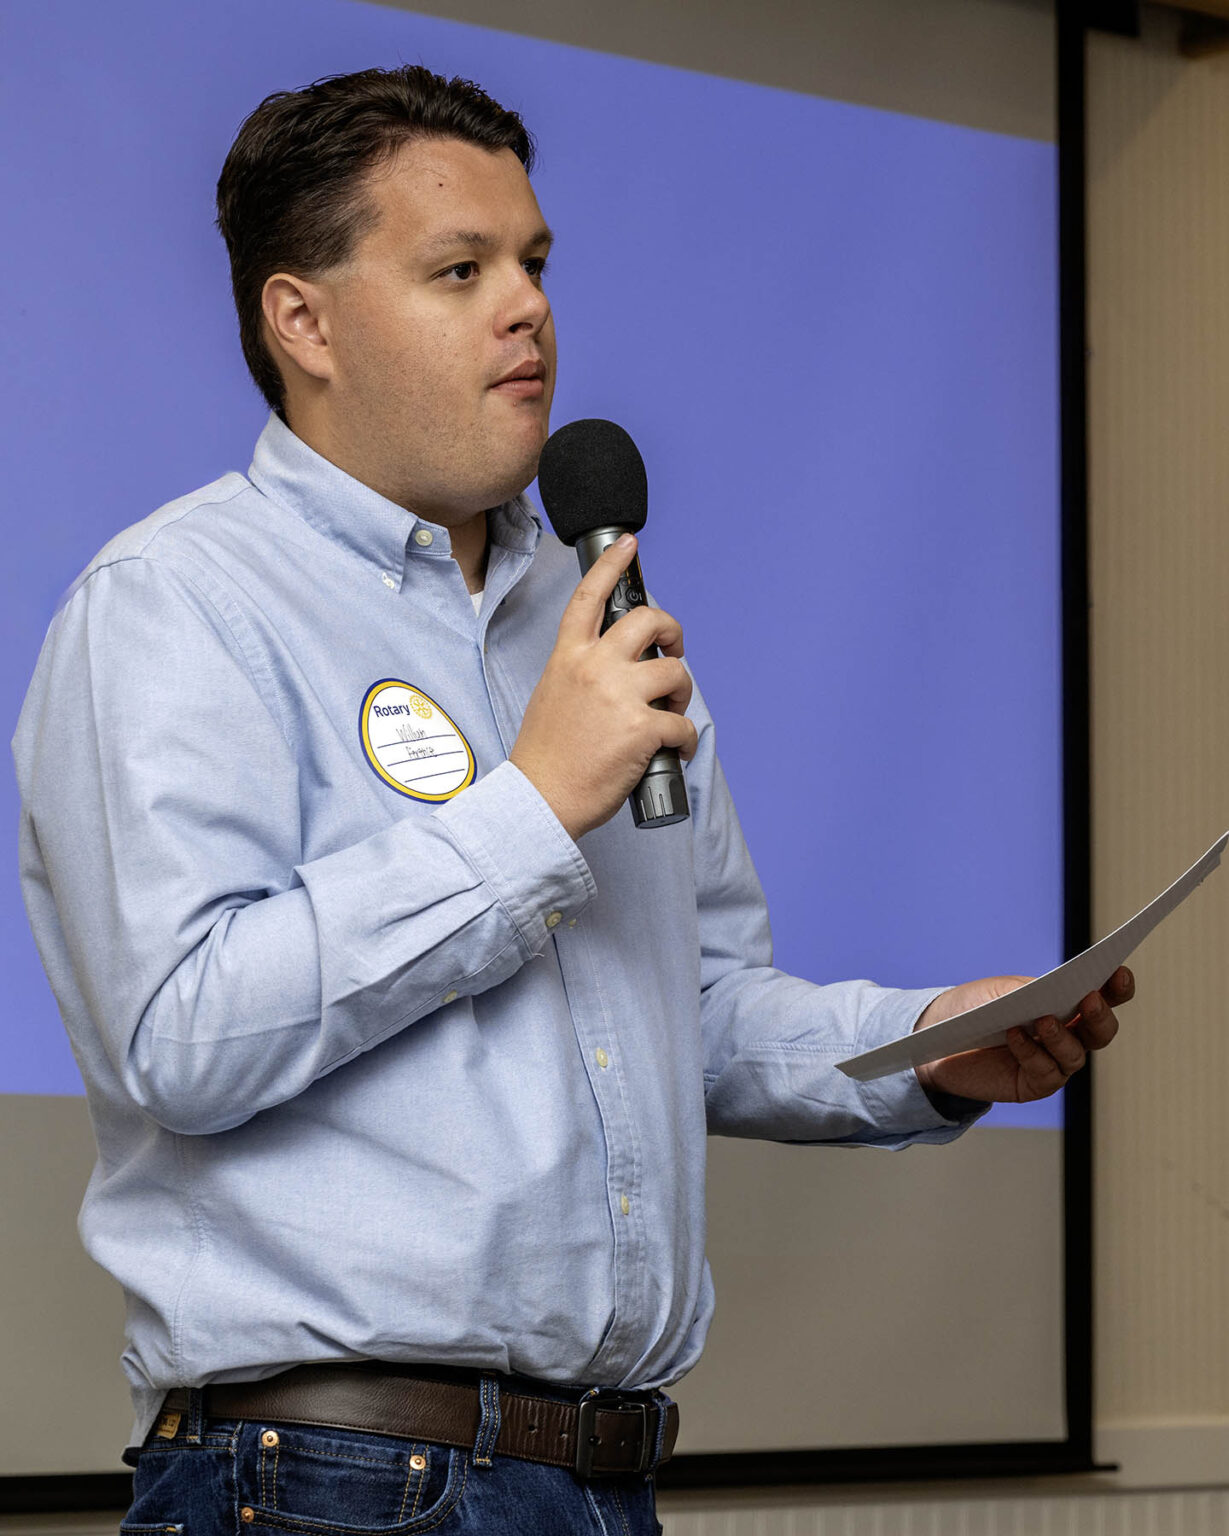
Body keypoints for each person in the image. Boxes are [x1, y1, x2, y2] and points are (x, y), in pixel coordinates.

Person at [12, 65, 1131, 1536]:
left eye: (533, 261)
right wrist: (529, 810)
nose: (526, 306)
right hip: (328, 1484)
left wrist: (927, 1048)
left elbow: (693, 1009)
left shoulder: (589, 608)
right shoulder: (177, 603)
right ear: (304, 322)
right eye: (459, 269)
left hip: (597, 1479)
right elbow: (179, 1037)